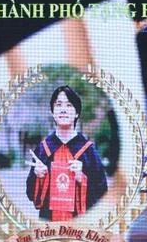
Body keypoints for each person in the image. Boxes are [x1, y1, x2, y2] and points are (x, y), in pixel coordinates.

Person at [26, 86, 107, 221]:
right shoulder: (43, 149)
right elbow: (30, 194)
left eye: (69, 105)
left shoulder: (88, 150)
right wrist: (39, 177)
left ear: (77, 113)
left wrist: (82, 178)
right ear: (52, 112)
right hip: (49, 228)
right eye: (58, 105)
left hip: (79, 228)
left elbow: (102, 192)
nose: (63, 109)